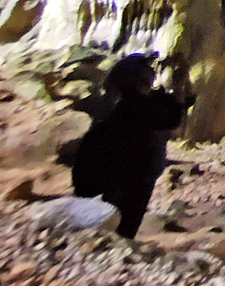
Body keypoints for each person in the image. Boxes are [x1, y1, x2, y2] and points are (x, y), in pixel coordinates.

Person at [71, 54, 191, 238]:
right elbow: (171, 119)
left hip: (117, 174)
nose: (153, 72)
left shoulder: (116, 103)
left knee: (114, 214)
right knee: (126, 219)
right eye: (148, 68)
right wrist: (179, 99)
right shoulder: (140, 104)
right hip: (135, 173)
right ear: (139, 76)